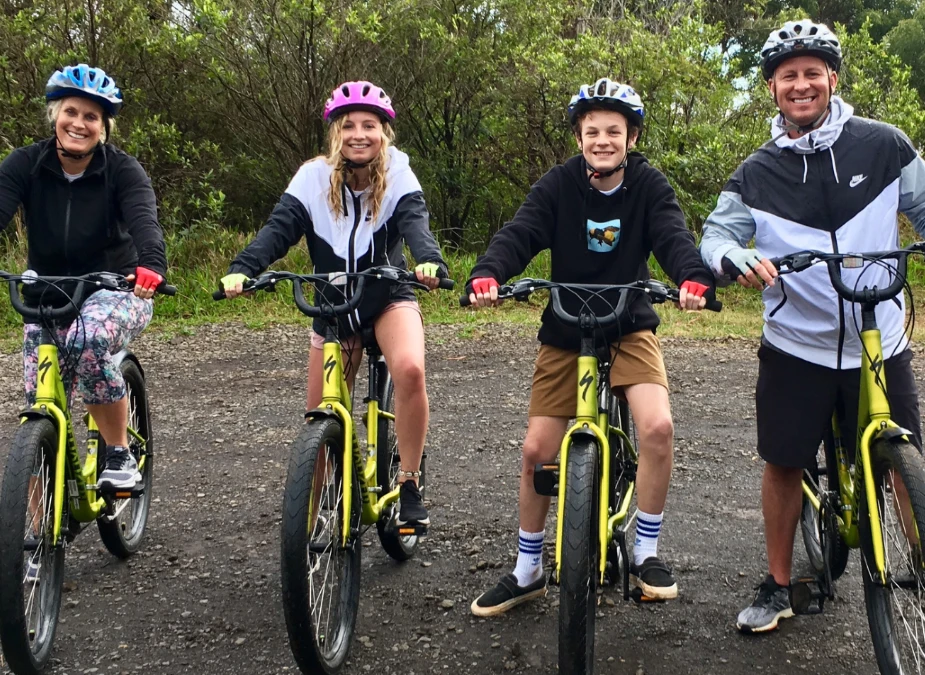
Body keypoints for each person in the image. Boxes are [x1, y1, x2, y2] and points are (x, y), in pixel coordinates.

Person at [700, 19, 925, 633]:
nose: (801, 85)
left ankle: (921, 562)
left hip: (880, 332)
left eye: (811, 73)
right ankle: (777, 583)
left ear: (832, 78)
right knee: (784, 462)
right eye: (787, 76)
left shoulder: (884, 144)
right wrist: (734, 259)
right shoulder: (756, 172)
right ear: (772, 88)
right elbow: (716, 237)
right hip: (798, 340)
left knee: (906, 455)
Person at [466, 78, 714, 616]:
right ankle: (528, 568)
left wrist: (692, 276)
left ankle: (645, 549)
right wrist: (489, 271)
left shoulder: (649, 184)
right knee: (536, 451)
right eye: (592, 131)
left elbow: (672, 235)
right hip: (565, 326)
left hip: (629, 324)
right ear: (579, 136)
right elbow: (522, 232)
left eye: (614, 131)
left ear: (631, 136)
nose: (603, 139)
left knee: (656, 427)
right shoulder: (558, 185)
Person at [221, 81, 447, 527]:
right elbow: (278, 230)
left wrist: (430, 262)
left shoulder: (399, 173)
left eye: (369, 125)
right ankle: (309, 520)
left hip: (386, 297)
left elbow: (416, 227)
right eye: (349, 126)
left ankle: (408, 481)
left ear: (384, 132)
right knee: (320, 414)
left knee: (410, 369)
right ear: (335, 134)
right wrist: (243, 267)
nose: (358, 134)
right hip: (332, 306)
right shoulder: (311, 178)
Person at [0, 64, 168, 494]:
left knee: (88, 339)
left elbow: (145, 222)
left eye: (91, 117)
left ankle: (118, 453)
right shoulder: (25, 164)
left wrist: (150, 265)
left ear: (103, 127)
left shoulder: (123, 171)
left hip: (116, 288)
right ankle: (29, 549)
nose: (79, 123)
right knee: (39, 406)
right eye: (71, 111)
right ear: (55, 115)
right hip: (47, 291)